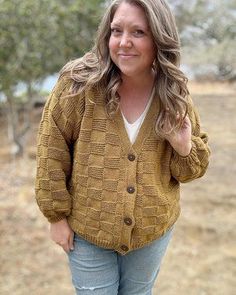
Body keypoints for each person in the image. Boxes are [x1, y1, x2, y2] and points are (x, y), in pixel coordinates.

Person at [35, 0, 210, 294]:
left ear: (159, 38)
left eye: (138, 32)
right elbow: (51, 150)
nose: (124, 42)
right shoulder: (78, 84)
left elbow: (191, 170)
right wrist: (56, 216)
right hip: (88, 231)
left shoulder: (173, 91)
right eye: (117, 31)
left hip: (151, 230)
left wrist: (182, 146)